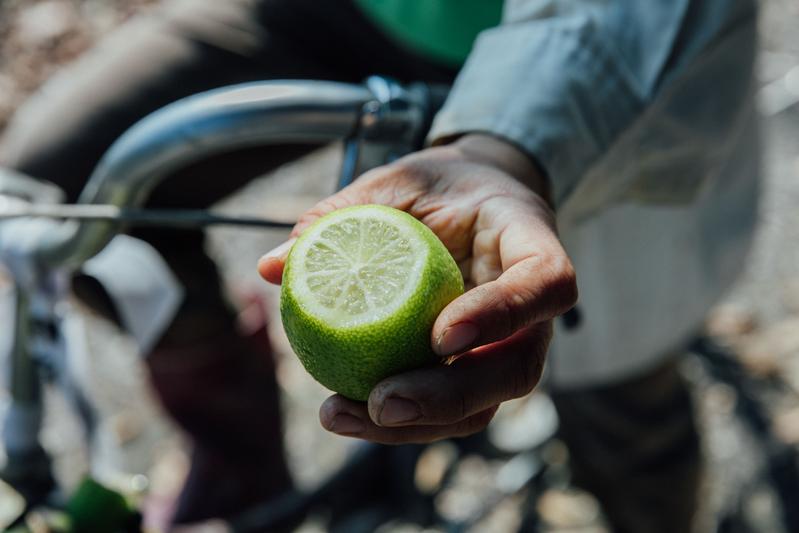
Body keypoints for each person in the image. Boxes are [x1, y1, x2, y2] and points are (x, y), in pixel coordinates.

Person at [0, 0, 759, 531]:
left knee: (613, 384)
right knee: (52, 198)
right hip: (360, 10)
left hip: (579, 58)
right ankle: (241, 464)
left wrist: (499, 143)